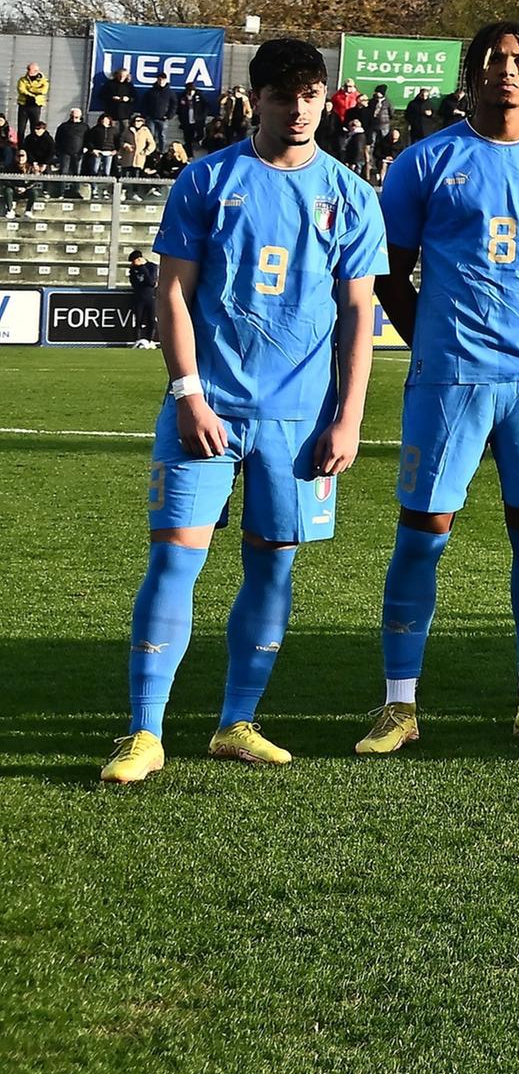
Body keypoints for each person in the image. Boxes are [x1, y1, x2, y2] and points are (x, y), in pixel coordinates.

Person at [104, 42, 385, 785]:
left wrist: (349, 416)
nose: (299, 110)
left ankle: (236, 722)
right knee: (174, 559)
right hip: (208, 410)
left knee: (273, 570)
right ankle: (143, 732)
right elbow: (171, 292)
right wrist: (188, 391)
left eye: (312, 96)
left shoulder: (352, 195)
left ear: (327, 101)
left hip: (299, 424)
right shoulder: (207, 180)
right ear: (254, 98)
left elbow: (360, 314)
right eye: (283, 95)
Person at [361, 25, 519, 756]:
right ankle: (398, 704)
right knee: (423, 531)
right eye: (492, 61)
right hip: (450, 376)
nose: (506, 70)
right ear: (470, 76)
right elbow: (388, 273)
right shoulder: (423, 163)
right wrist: (436, 340)